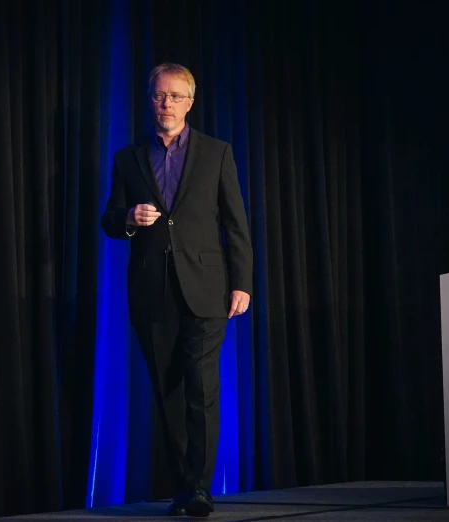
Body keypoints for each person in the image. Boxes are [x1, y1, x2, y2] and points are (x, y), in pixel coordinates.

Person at [100, 63, 253, 517]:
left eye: (175, 96)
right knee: (167, 391)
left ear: (190, 102)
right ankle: (186, 484)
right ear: (150, 100)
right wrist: (128, 219)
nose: (165, 104)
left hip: (206, 287)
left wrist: (242, 283)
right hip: (152, 291)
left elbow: (235, 224)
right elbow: (109, 219)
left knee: (201, 388)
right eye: (159, 96)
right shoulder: (128, 158)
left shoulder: (216, 152)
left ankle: (201, 488)